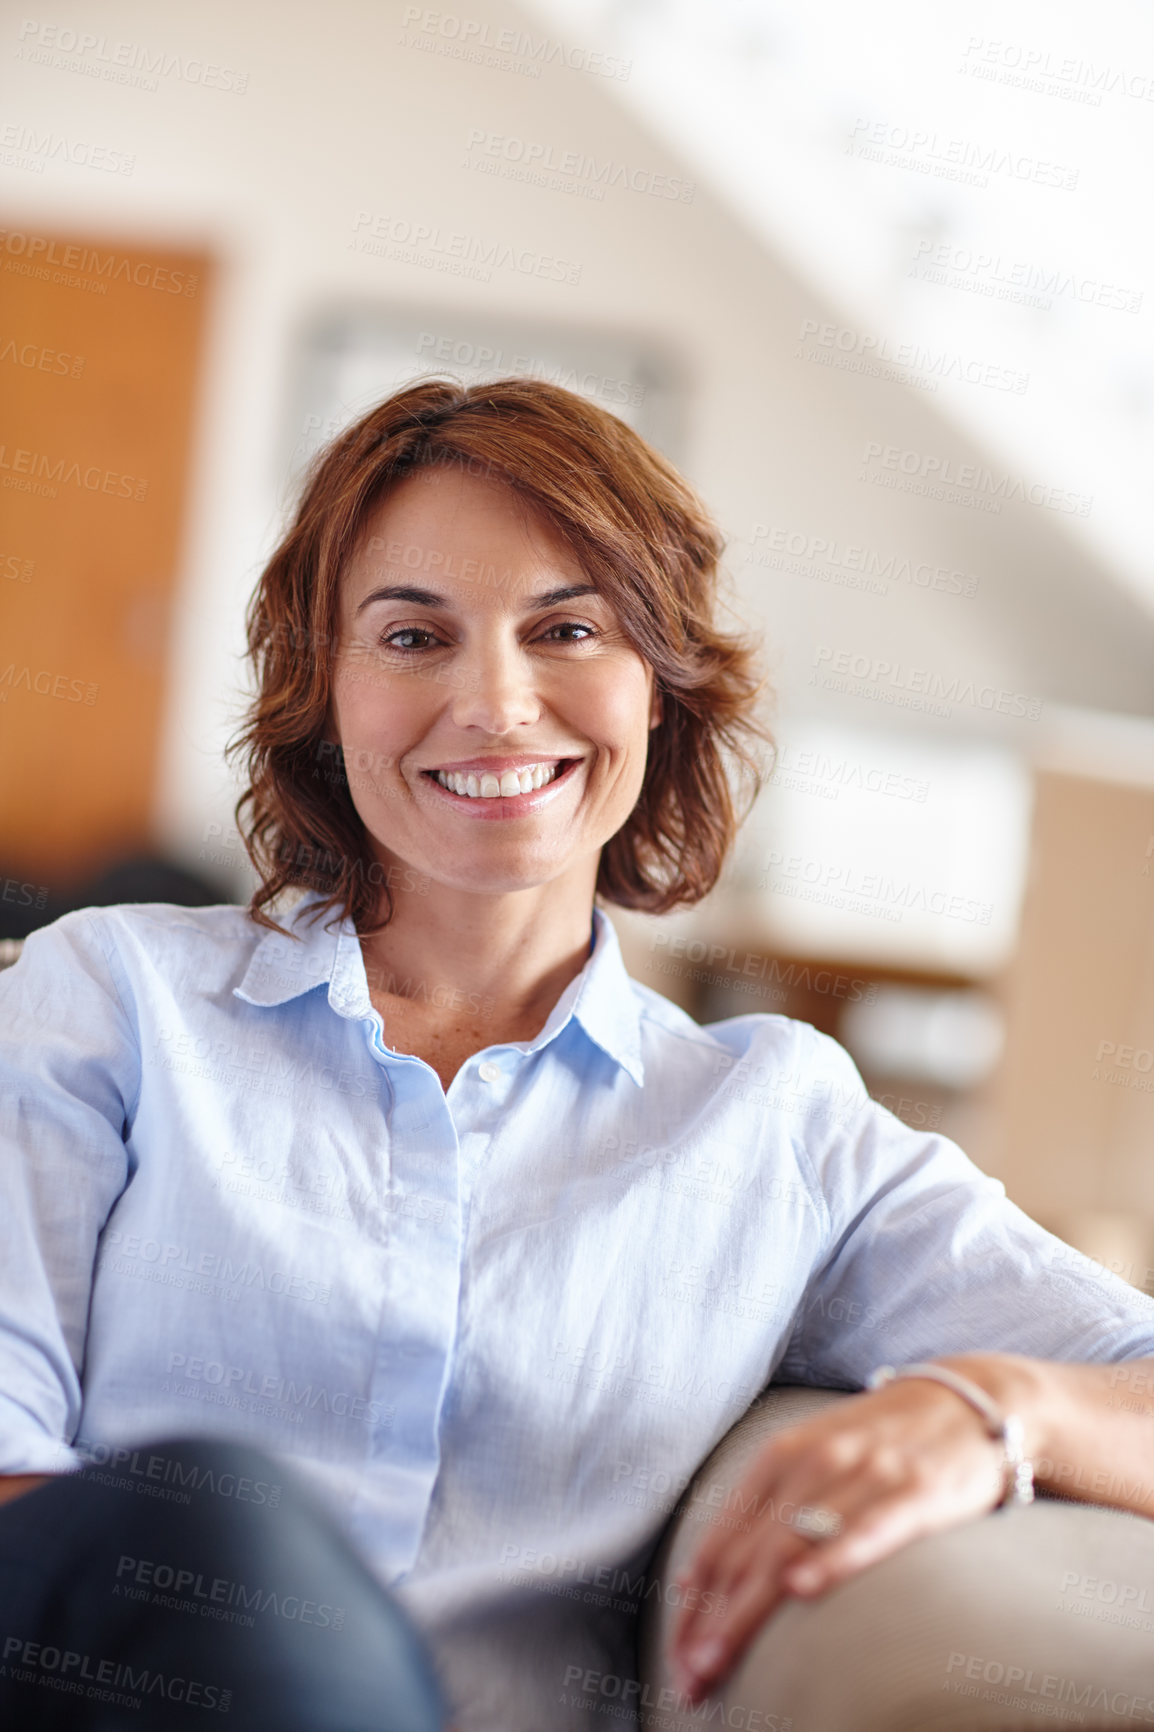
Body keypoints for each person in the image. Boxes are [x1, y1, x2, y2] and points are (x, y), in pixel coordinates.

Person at [2, 376, 1153, 1732]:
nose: (493, 703)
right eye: (413, 636)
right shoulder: (112, 997)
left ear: (659, 685)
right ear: (324, 695)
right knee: (222, 1528)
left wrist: (994, 1407)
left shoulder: (771, 1123)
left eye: (565, 629)